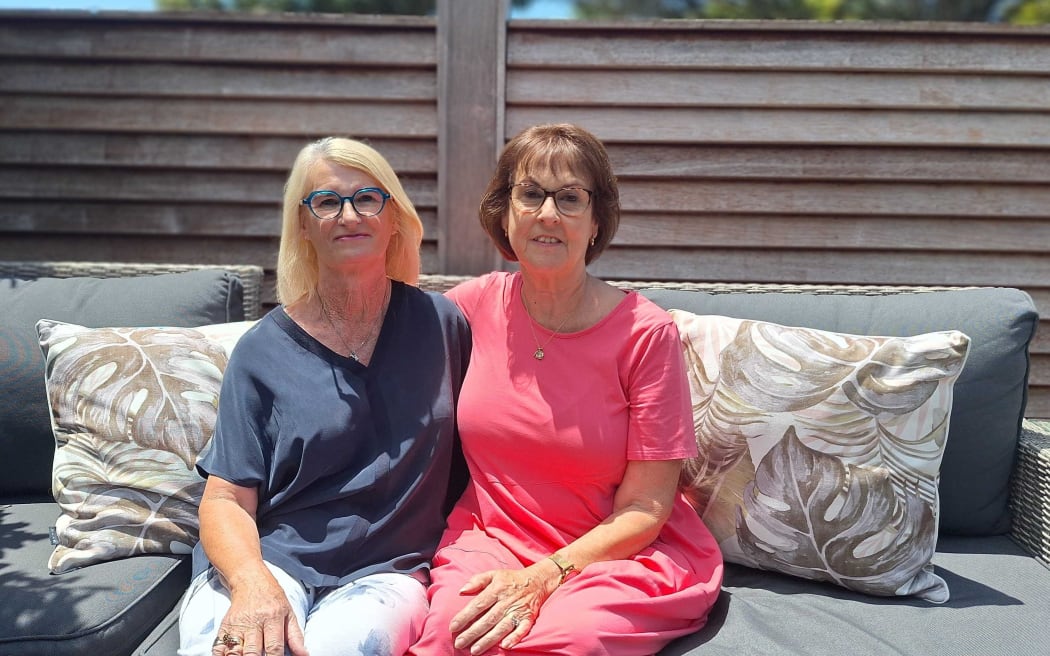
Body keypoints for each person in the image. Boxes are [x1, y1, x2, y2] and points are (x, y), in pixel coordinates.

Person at [407, 123, 723, 656]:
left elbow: (647, 506)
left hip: (617, 553)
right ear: (503, 211)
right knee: (449, 635)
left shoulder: (645, 334)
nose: (548, 214)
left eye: (570, 198)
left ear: (597, 221)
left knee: (563, 642)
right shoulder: (467, 309)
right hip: (491, 540)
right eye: (530, 193)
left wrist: (547, 574)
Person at [177, 136, 471, 656]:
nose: (349, 214)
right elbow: (225, 498)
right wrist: (251, 583)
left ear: (395, 217)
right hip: (269, 561)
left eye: (367, 198)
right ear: (306, 227)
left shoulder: (443, 325)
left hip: (387, 572)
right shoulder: (262, 350)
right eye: (327, 201)